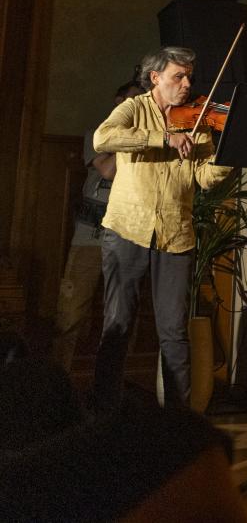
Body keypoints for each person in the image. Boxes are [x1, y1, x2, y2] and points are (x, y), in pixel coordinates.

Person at [92, 46, 231, 408]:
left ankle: (177, 422)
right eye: (178, 76)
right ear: (155, 78)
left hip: (175, 236)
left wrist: (231, 153)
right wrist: (164, 138)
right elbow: (103, 138)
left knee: (174, 332)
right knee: (118, 325)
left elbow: (204, 178)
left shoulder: (198, 120)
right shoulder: (133, 108)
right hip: (127, 229)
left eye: (189, 77)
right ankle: (103, 413)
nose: (186, 85)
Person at [52, 80, 143, 373]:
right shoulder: (98, 134)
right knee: (71, 312)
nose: (139, 106)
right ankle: (60, 378)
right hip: (90, 237)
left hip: (126, 236)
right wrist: (132, 137)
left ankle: (111, 383)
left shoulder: (146, 138)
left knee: (121, 315)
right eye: (133, 99)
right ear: (118, 101)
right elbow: (107, 169)